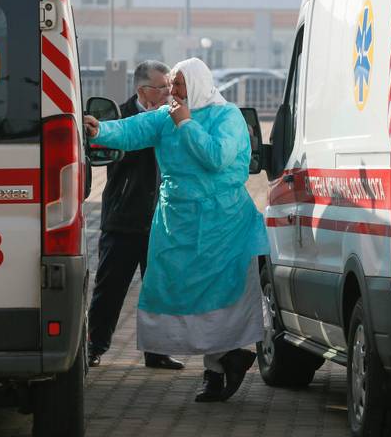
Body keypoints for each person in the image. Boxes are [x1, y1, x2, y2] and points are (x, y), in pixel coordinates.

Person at [84, 57, 268, 403]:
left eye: (179, 85)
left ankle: (217, 369)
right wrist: (101, 130)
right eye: (171, 85)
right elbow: (134, 129)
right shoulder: (168, 113)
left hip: (222, 223)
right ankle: (226, 357)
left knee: (218, 294)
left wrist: (186, 124)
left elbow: (216, 157)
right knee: (177, 288)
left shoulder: (226, 117)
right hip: (178, 221)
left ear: (197, 84)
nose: (174, 92)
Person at [88, 60, 185, 371]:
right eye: (163, 88)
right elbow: (105, 148)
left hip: (161, 219)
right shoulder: (118, 116)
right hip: (124, 216)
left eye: (170, 88)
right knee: (110, 288)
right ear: (143, 89)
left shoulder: (173, 118)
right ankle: (94, 346)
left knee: (159, 289)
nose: (169, 94)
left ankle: (157, 351)